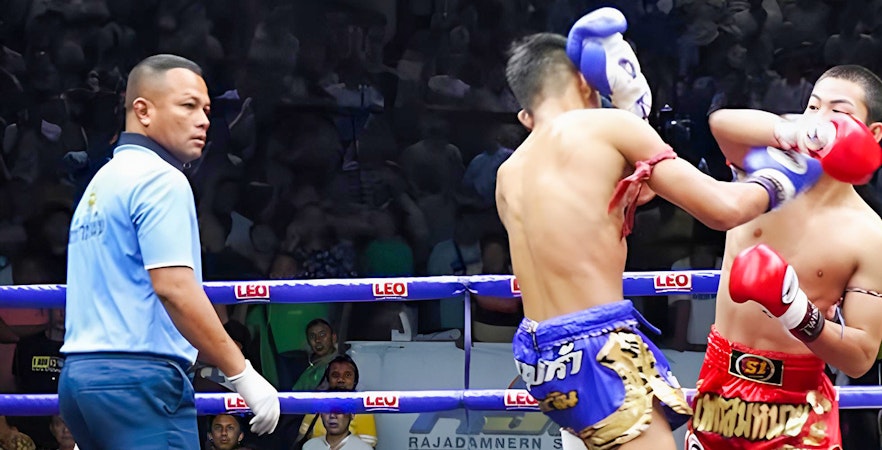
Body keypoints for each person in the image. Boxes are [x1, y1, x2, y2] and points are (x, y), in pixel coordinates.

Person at [499, 7, 831, 450]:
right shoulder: (606, 127)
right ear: (586, 81)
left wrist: (630, 122)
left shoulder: (509, 171)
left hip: (541, 355)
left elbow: (624, 201)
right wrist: (781, 177)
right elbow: (722, 209)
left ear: (526, 111)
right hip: (597, 345)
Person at [58, 54, 280, 449]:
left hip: (82, 379)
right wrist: (241, 373)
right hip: (139, 383)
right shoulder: (161, 180)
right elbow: (174, 288)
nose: (204, 120)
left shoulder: (100, 183)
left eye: (207, 109)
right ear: (142, 110)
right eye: (188, 105)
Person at [686, 64, 882, 449]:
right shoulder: (763, 178)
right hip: (718, 384)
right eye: (813, 107)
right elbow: (721, 123)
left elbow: (861, 356)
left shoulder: (870, 234)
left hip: (797, 402)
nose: (821, 121)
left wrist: (796, 311)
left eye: (838, 112)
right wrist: (791, 132)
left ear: (874, 133)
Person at [301, 411, 372, 450]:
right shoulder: (309, 446)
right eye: (327, 410)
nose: (332, 416)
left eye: (339, 410)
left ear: (352, 414)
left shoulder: (363, 448)